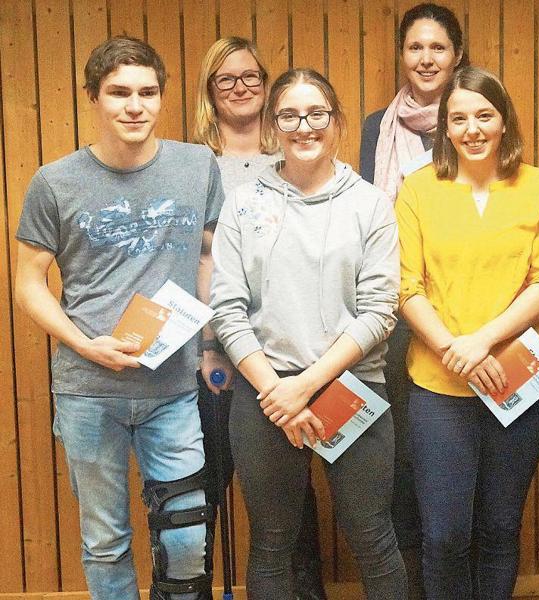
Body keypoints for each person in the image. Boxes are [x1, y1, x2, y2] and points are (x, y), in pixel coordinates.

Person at [14, 36, 220, 599]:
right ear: (93, 98)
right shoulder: (54, 182)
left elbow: (208, 256)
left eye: (148, 92)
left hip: (172, 386)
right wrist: (84, 344)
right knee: (105, 541)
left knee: (186, 536)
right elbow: (27, 282)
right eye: (119, 93)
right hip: (88, 390)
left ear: (162, 97)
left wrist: (208, 336)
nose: (135, 106)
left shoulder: (197, 166)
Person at [209, 68, 406, 599]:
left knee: (373, 537)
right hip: (264, 391)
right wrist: (279, 391)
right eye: (290, 115)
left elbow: (379, 311)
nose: (304, 126)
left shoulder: (370, 204)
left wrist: (305, 386)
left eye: (316, 113)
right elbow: (227, 308)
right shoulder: (244, 203)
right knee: (272, 544)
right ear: (274, 126)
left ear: (336, 121)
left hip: (351, 387)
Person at [395, 66, 539, 600]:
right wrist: (454, 349)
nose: (472, 128)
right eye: (459, 118)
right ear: (444, 128)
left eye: (484, 116)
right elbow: (406, 288)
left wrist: (483, 342)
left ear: (503, 121)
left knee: (498, 529)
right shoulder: (419, 189)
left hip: (517, 381)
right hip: (438, 387)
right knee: (444, 535)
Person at [190, 36, 327, 600]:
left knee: (293, 485)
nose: (241, 88)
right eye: (227, 79)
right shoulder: (194, 162)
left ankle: (306, 589)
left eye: (251, 77)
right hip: (218, 348)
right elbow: (199, 256)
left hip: (293, 353)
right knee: (209, 482)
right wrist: (211, 344)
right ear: (210, 91)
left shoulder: (296, 150)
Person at [358, 7, 466, 595]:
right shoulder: (378, 126)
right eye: (415, 48)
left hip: (466, 312)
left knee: (450, 461)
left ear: (457, 56)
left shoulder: (475, 119)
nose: (426, 59)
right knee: (399, 456)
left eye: (438, 48)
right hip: (394, 311)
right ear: (402, 55)